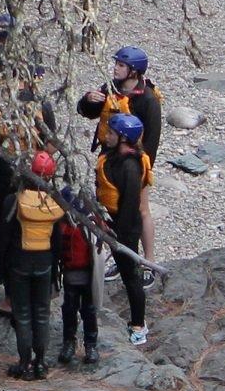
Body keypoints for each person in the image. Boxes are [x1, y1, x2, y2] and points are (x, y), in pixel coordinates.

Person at [78, 46, 163, 267]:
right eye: (117, 64)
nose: (116, 68)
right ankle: (122, 258)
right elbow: (87, 112)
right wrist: (88, 101)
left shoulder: (148, 100)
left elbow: (152, 139)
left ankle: (149, 260)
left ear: (133, 71)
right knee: (112, 207)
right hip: (110, 159)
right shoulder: (111, 88)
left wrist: (143, 170)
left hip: (135, 163)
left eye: (121, 65)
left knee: (141, 209)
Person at [4, 150, 66, 379]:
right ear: (50, 176)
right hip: (45, 262)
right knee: (42, 314)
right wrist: (56, 271)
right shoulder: (54, 203)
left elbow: (5, 240)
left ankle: (25, 364)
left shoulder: (14, 200)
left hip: (19, 262)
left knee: (22, 315)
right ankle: (40, 364)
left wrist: (0, 273)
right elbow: (57, 242)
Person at [93, 112, 152, 349]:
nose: (106, 136)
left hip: (122, 227)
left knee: (131, 277)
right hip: (108, 220)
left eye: (111, 133)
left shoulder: (129, 167)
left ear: (124, 138)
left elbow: (129, 206)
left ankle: (139, 324)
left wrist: (117, 234)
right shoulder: (112, 156)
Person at [54, 192, 100, 367]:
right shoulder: (62, 226)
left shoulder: (89, 225)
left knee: (88, 310)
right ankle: (69, 342)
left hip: (87, 275)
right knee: (69, 309)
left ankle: (90, 345)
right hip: (70, 275)